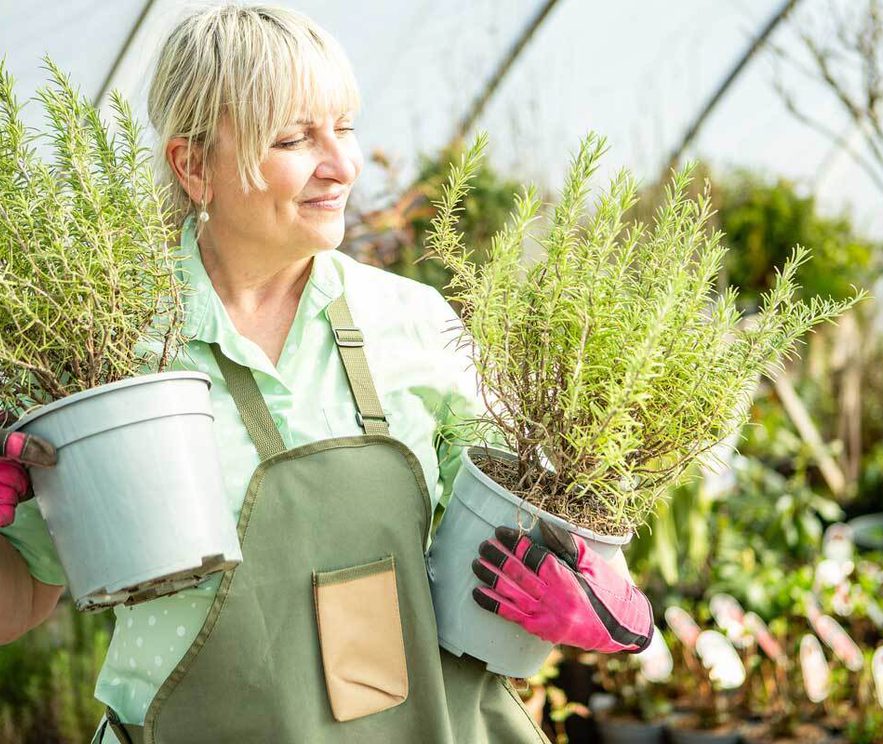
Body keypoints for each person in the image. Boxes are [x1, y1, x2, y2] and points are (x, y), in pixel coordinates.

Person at [0, 5, 655, 742]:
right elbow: (23, 596)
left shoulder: (411, 324)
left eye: (343, 126)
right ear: (193, 165)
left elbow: (544, 531)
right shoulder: (106, 354)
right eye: (292, 139)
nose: (341, 166)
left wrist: (616, 609)